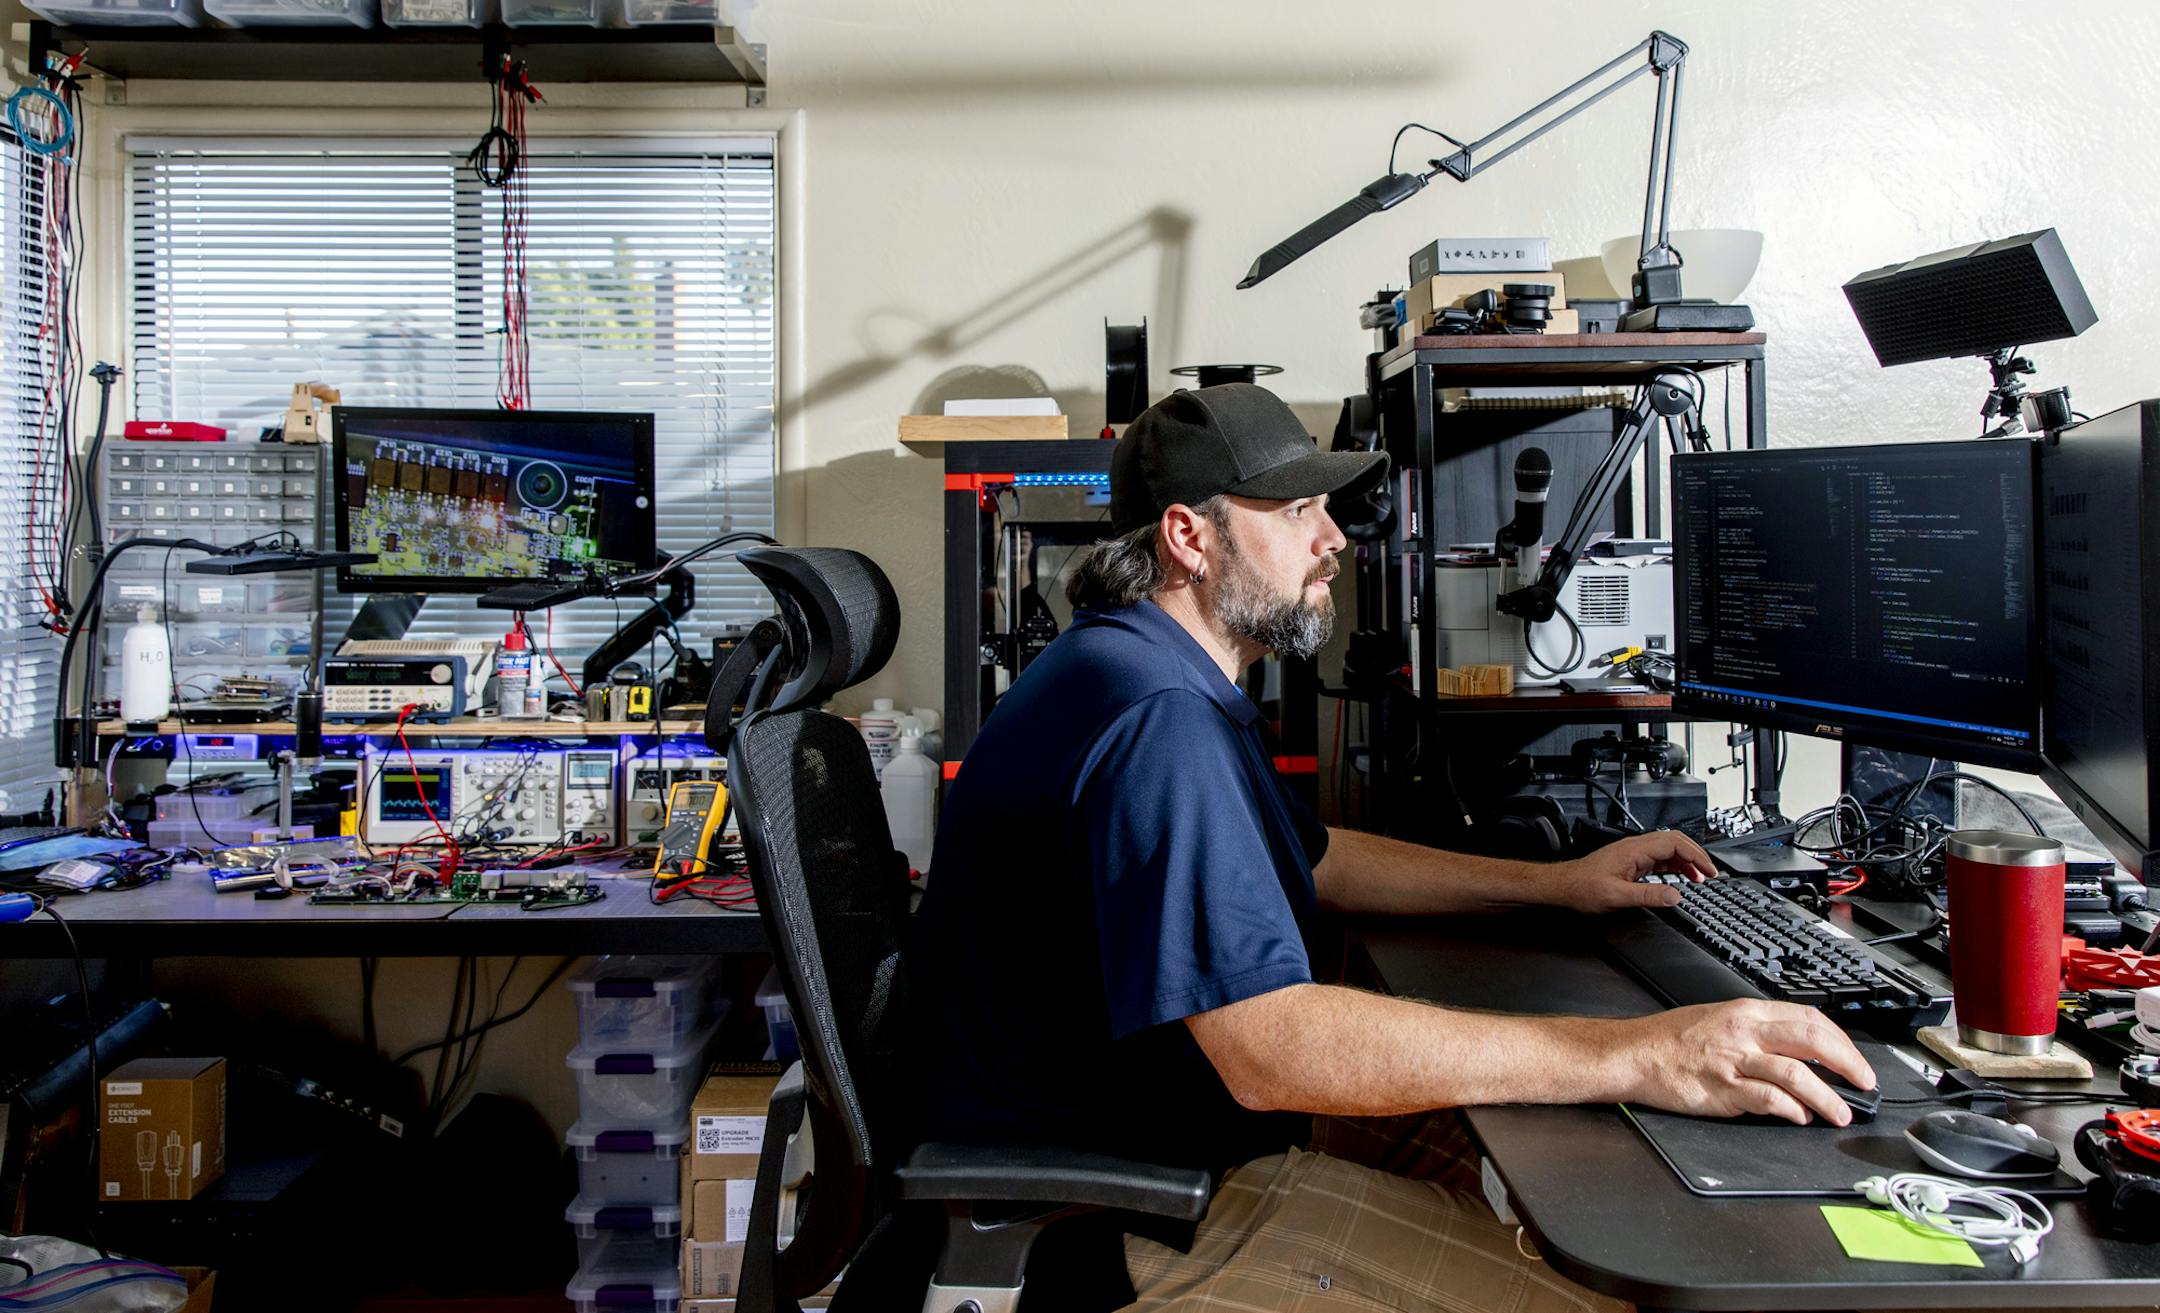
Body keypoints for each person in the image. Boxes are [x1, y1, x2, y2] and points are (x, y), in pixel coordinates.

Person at [910, 382, 1876, 1312]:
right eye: (1296, 512)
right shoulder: (1158, 719)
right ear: (1189, 537)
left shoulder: (1143, 665)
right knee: (1603, 1285)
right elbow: (1268, 1049)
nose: (1332, 540)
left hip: (1166, 1142)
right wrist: (1641, 1052)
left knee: (1544, 1166)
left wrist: (1555, 886)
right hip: (1128, 1213)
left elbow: (1317, 858)